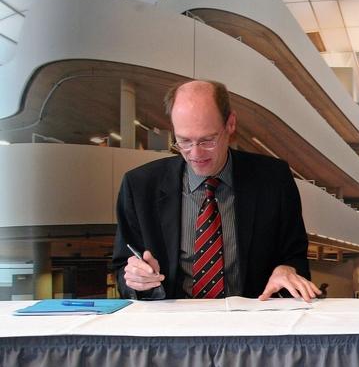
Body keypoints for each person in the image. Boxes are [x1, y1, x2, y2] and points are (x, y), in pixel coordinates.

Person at [112, 80, 320, 300]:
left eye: (207, 140)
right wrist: (139, 282)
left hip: (251, 324)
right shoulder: (140, 186)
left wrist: (286, 270)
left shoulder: (274, 179)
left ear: (230, 124)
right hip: (174, 327)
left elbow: (296, 258)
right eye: (183, 141)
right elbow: (122, 271)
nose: (195, 153)